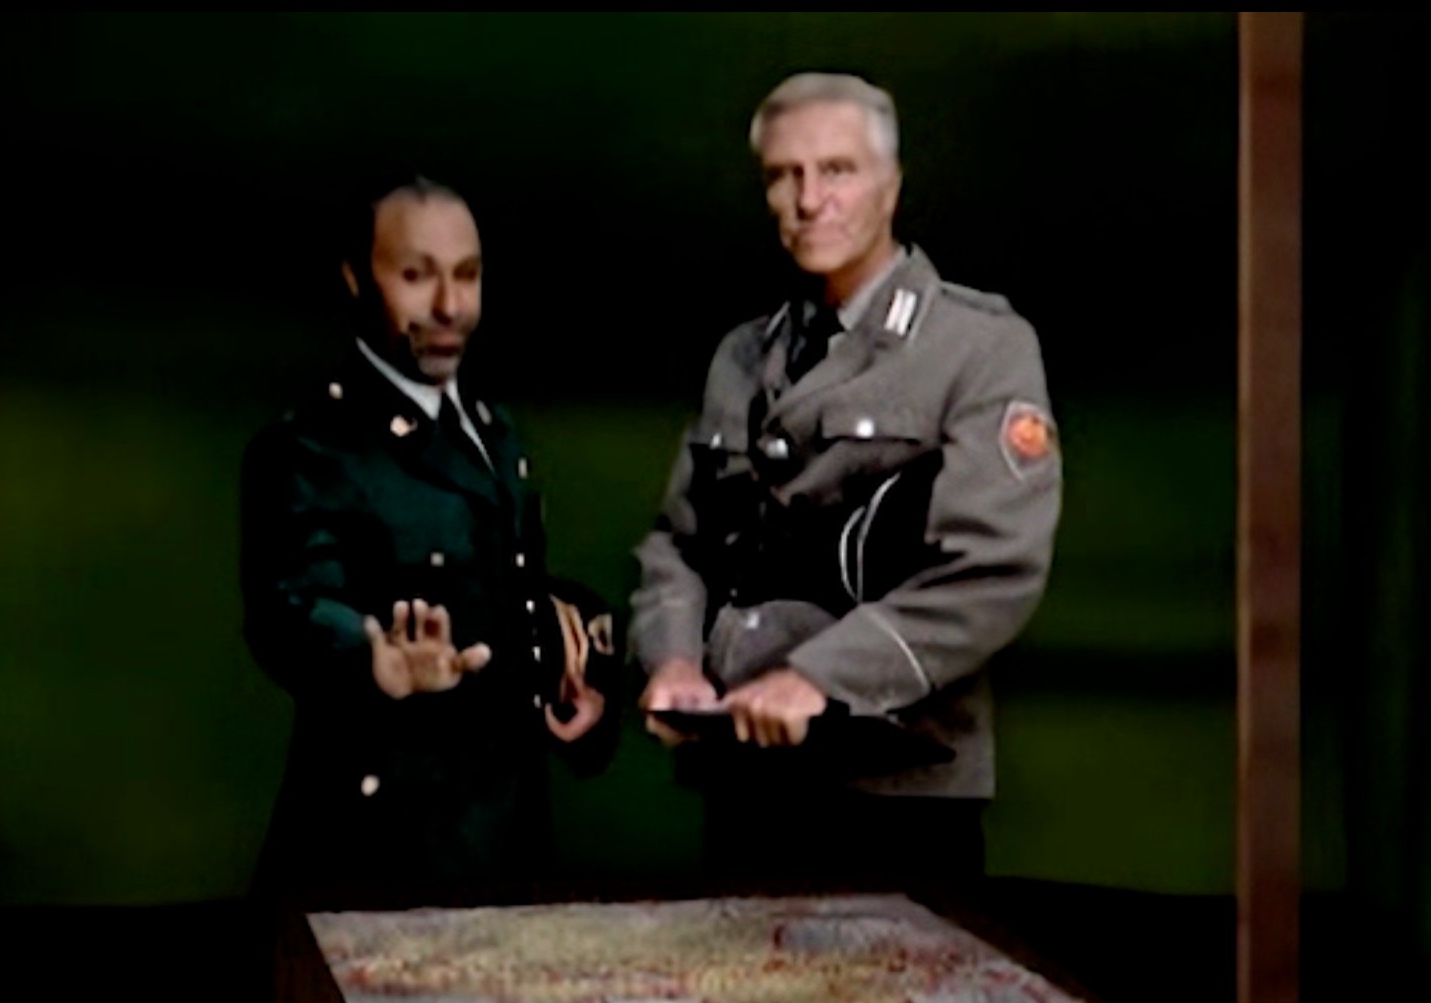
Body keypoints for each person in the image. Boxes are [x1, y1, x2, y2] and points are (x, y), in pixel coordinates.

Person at [631, 73, 1062, 896]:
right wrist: (675, 659)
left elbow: (992, 570)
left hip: (896, 802)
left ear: (890, 186)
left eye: (837, 171)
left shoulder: (978, 348)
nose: (808, 200)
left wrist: (821, 677)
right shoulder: (742, 357)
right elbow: (680, 543)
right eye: (783, 176)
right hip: (744, 789)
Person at [240, 173, 619, 906]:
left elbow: (502, 587)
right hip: (377, 856)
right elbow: (289, 609)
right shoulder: (312, 449)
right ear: (356, 278)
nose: (449, 306)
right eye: (416, 276)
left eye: (466, 276)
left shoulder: (496, 432)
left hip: (506, 844)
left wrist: (567, 665)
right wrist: (373, 658)